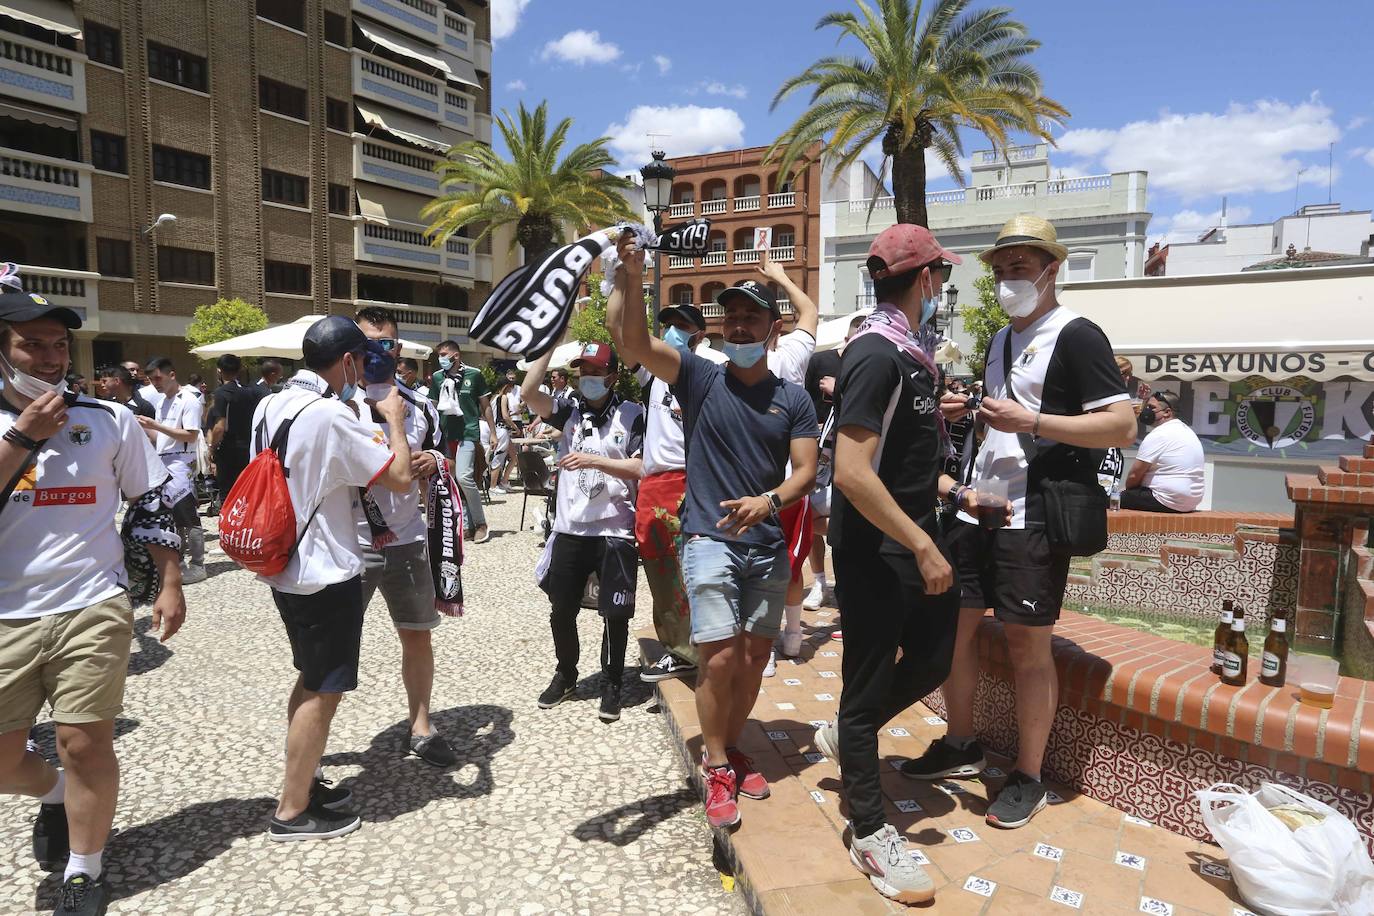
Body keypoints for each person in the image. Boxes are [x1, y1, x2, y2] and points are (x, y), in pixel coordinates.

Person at [913, 215, 1136, 830]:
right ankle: (961, 743)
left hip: (1033, 516)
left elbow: (1121, 425)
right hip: (977, 505)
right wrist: (973, 414)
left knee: (1025, 644)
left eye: (1021, 265)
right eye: (1002, 267)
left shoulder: (1077, 334)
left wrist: (1032, 423)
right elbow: (1006, 422)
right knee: (952, 630)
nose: (1010, 276)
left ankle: (1029, 774)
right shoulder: (1000, 340)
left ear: (1050, 269)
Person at [610, 236, 818, 830]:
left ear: (773, 328)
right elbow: (631, 342)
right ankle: (719, 762)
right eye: (733, 317)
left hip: (767, 544)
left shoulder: (793, 398)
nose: (741, 325)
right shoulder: (699, 378)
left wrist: (768, 501)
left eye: (752, 316)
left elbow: (805, 470)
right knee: (720, 656)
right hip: (707, 539)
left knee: (754, 657)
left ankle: (732, 740)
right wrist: (631, 277)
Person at [0, 289, 187, 916]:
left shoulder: (109, 420)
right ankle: (52, 794)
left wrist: (170, 580)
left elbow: (152, 500)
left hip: (92, 604)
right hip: (5, 615)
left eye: (60, 346)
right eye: (33, 345)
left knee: (83, 743)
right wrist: (24, 437)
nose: (50, 358)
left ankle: (84, 869)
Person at [813, 224, 975, 904]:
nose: (944, 287)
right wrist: (921, 542)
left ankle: (849, 728)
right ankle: (869, 831)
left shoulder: (910, 354)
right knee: (868, 677)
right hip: (879, 549)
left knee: (935, 659)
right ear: (925, 279)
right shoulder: (878, 353)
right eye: (942, 276)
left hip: (910, 534)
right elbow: (851, 471)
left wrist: (951, 487)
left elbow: (893, 459)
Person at [249, 316, 414, 841]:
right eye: (362, 361)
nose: (364, 370)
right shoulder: (329, 414)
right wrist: (393, 420)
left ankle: (307, 778)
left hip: (285, 565)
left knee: (309, 675)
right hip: (325, 567)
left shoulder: (270, 401)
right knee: (324, 689)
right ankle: (292, 811)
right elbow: (399, 475)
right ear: (347, 361)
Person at [350, 306, 456, 766]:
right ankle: (313, 756)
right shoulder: (334, 407)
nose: (378, 352)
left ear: (399, 348)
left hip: (408, 539)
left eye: (386, 343)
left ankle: (421, 726)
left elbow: (439, 453)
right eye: (367, 343)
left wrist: (434, 460)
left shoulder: (421, 405)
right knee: (334, 646)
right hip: (348, 542)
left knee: (417, 636)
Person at [521, 340, 644, 723]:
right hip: (571, 527)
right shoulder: (567, 411)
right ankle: (567, 673)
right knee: (561, 609)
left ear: (612, 375)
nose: (588, 378)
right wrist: (547, 345)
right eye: (582, 371)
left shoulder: (633, 414)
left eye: (595, 371)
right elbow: (528, 393)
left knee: (615, 612)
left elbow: (641, 468)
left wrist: (594, 459)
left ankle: (611, 682)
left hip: (614, 527)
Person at [618, 303, 725, 684]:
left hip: (693, 480)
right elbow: (619, 330)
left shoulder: (711, 374)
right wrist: (619, 278)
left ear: (697, 335)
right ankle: (678, 648)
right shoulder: (654, 374)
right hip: (655, 482)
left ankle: (699, 648)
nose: (672, 332)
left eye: (682, 326)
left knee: (696, 571)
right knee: (662, 573)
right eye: (668, 326)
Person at [799, 312, 866, 613]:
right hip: (821, 453)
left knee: (848, 519)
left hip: (855, 453)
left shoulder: (867, 366)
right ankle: (819, 582)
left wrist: (838, 388)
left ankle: (846, 582)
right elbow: (804, 401)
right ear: (848, 338)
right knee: (808, 516)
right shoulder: (821, 361)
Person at [139, 358, 207, 585]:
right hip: (163, 461)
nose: (154, 383)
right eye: (150, 379)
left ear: (172, 374)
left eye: (157, 378)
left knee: (187, 515)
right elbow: (162, 438)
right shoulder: (162, 402)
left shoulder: (189, 400)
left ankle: (198, 564)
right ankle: (177, 563)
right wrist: (142, 429)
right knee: (169, 515)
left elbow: (191, 435)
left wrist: (155, 426)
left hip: (181, 463)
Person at [429, 340, 495, 543]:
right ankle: (466, 525)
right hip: (446, 434)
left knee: (464, 477)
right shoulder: (438, 377)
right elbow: (432, 407)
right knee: (454, 481)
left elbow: (485, 405)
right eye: (439, 354)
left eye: (444, 354)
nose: (441, 358)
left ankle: (481, 523)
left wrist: (493, 432)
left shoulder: (474, 374)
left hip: (468, 432)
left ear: (455, 356)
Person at [1122, 390, 1204, 513]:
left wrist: (1127, 493)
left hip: (1165, 499)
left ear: (1167, 413)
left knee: (1109, 500)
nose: (1147, 410)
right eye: (1147, 406)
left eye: (1152, 407)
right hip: (1191, 501)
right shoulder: (1187, 431)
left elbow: (1134, 476)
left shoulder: (1159, 434)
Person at [207, 354, 265, 504]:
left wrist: (211, 448)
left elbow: (220, 426)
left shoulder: (221, 393)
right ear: (239, 369)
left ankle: (228, 524)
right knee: (245, 491)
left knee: (227, 493)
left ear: (219, 370)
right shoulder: (251, 392)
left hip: (228, 449)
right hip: (248, 447)